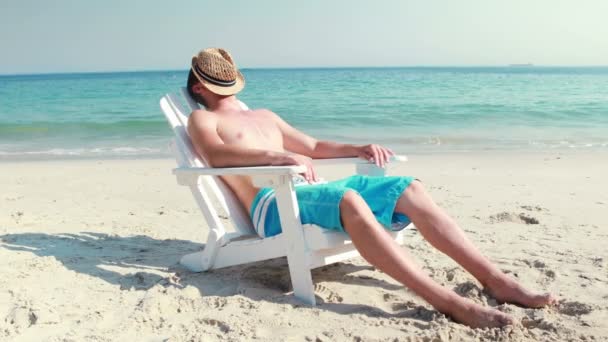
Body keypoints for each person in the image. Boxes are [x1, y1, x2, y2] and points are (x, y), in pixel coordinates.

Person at [185, 48, 556, 329]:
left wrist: (356, 148)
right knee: (348, 198)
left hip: (308, 192)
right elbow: (215, 155)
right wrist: (275, 157)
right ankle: (448, 302)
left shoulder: (263, 116)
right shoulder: (202, 118)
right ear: (199, 86)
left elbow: (312, 147)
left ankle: (497, 281)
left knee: (407, 187)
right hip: (273, 204)